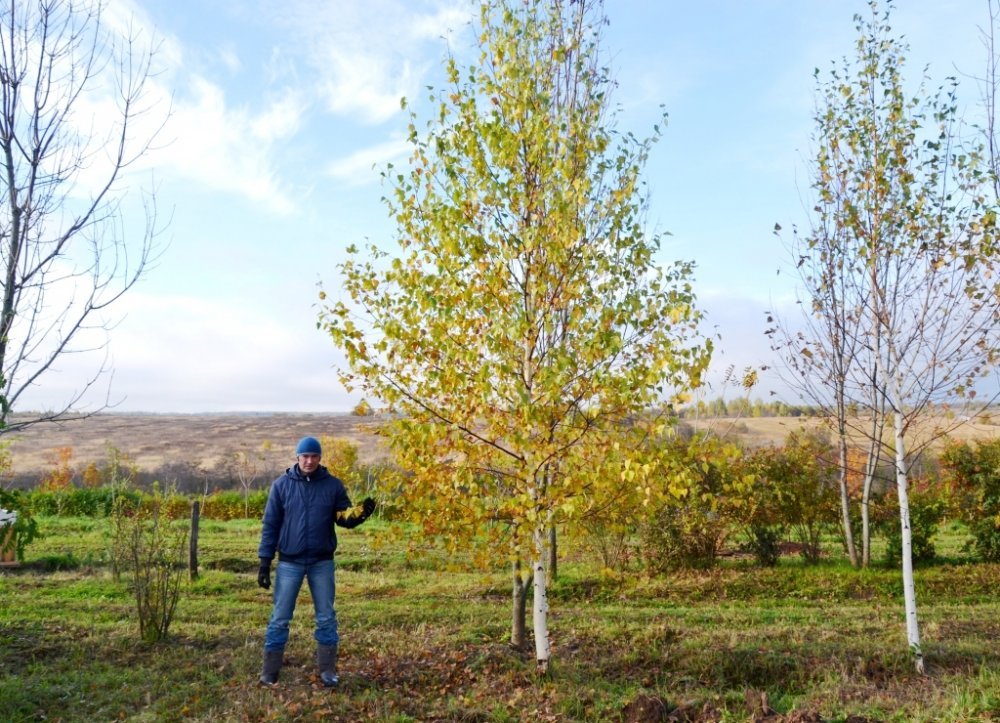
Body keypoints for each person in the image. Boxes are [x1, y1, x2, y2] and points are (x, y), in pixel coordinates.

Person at [256, 435, 376, 687]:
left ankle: (327, 670)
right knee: (280, 616)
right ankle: (270, 671)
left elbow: (343, 518)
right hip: (289, 562)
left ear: (320, 458)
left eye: (314, 456)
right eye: (305, 456)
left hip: (322, 562)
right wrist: (265, 562)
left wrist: (360, 514)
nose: (309, 461)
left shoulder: (332, 486)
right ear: (297, 457)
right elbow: (270, 525)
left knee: (326, 617)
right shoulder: (281, 486)